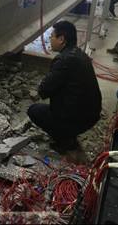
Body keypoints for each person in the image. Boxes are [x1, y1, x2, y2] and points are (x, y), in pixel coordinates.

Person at [27, 21, 102, 151]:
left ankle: (64, 139)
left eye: (52, 36)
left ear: (61, 39)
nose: (50, 39)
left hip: (78, 118)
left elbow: (44, 90)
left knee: (34, 110)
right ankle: (68, 132)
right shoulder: (79, 54)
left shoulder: (64, 60)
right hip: (91, 115)